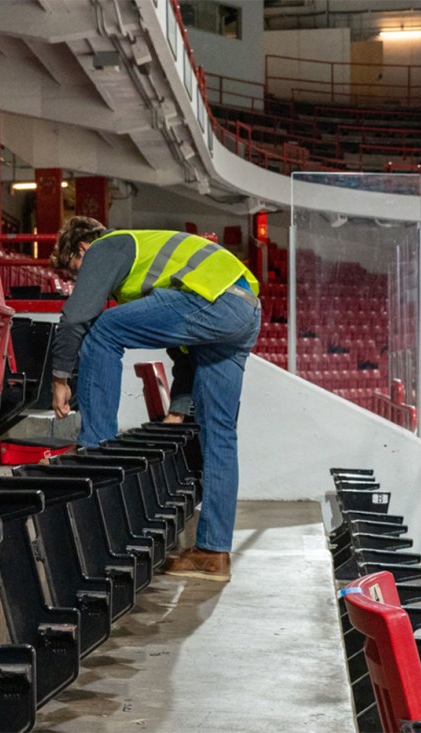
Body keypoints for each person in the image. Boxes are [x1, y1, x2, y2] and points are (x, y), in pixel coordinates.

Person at [49, 217, 260, 582]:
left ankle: (93, 451)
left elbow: (76, 318)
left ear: (82, 247)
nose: (81, 281)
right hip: (244, 310)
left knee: (102, 330)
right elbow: (184, 355)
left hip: (213, 300)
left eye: (75, 271)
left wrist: (59, 377)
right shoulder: (153, 265)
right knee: (220, 434)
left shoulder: (106, 246)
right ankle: (213, 553)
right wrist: (178, 412)